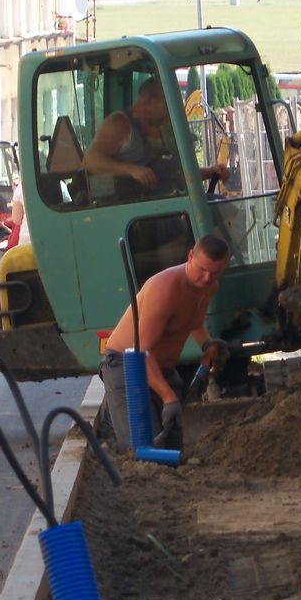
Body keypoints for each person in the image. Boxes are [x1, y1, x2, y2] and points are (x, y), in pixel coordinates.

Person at [98, 235, 231, 453]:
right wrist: (168, 397)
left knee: (171, 448)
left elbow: (194, 323)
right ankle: (113, 433)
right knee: (144, 450)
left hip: (161, 369)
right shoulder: (165, 288)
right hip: (128, 366)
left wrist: (207, 344)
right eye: (202, 270)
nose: (207, 278)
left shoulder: (208, 286)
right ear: (190, 256)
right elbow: (141, 351)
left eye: (215, 273)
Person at [83, 78, 230, 193]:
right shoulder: (119, 124)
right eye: (167, 105)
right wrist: (132, 170)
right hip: (136, 213)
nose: (169, 113)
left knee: (225, 211)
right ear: (149, 102)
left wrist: (211, 172)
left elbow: (173, 175)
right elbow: (90, 161)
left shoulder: (160, 129)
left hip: (168, 205)